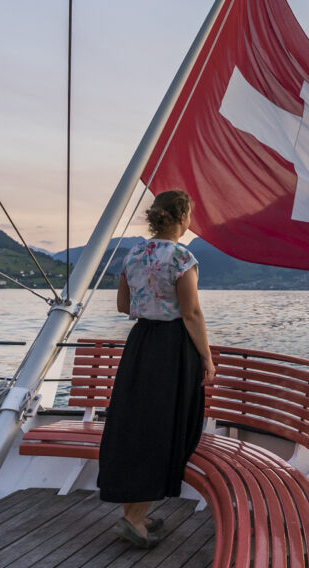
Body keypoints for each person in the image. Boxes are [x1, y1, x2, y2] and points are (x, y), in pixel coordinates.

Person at [97, 189, 215, 548]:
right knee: (163, 428)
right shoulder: (182, 257)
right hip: (172, 349)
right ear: (182, 217)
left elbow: (122, 305)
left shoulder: (133, 254)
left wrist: (148, 304)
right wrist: (207, 358)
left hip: (140, 345)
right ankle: (134, 520)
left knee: (137, 425)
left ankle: (135, 511)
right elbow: (191, 313)